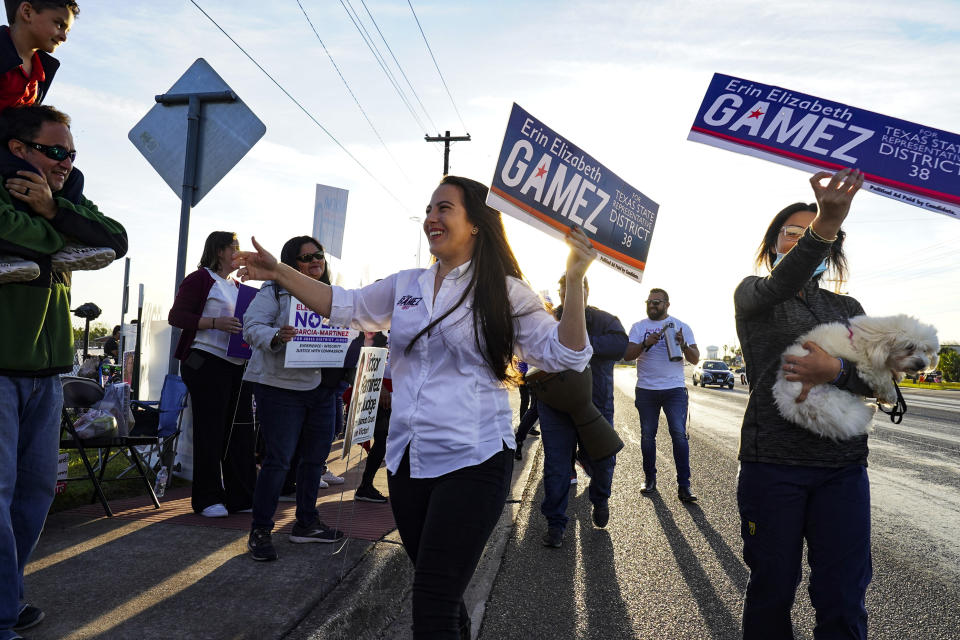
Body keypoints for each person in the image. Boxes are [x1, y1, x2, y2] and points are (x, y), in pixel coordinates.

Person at [235, 175, 595, 639]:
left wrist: (578, 281)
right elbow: (344, 305)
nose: (431, 218)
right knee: (441, 592)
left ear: (476, 225)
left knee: (431, 601)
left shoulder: (506, 292)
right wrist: (282, 272)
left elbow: (565, 355)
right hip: (407, 465)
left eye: (444, 208)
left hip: (474, 460)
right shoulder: (406, 285)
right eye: (429, 209)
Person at [0, 103, 125, 640]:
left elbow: (115, 238)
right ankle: (4, 615)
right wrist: (62, 239)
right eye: (55, 152)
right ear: (18, 149)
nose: (66, 163)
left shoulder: (65, 195)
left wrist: (53, 212)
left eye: (71, 154)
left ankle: (9, 596)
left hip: (47, 373)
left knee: (36, 494)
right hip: (1, 371)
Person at [734, 168, 876, 638]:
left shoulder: (847, 308)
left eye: (810, 233)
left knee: (843, 597)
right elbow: (781, 283)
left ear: (831, 251)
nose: (800, 239)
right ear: (774, 245)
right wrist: (825, 224)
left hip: (843, 469)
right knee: (772, 590)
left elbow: (878, 380)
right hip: (773, 465)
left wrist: (835, 372)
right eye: (791, 233)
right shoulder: (754, 295)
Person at [242, 236, 347, 561]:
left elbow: (353, 327)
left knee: (315, 461)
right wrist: (275, 335)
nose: (316, 260)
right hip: (281, 388)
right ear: (291, 263)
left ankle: (306, 523)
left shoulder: (336, 296)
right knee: (278, 460)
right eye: (306, 257)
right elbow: (251, 325)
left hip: (324, 389)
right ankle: (260, 529)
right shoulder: (274, 291)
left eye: (319, 255)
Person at [0, 1, 113, 285]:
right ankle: (6, 254)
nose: (63, 35)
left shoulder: (39, 69)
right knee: (30, 175)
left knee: (72, 178)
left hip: (10, 144)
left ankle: (68, 241)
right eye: (59, 24)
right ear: (27, 12)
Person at [168, 231, 255, 518]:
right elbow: (177, 317)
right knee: (211, 431)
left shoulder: (239, 286)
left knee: (239, 431)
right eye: (235, 247)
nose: (239, 252)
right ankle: (207, 498)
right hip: (205, 362)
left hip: (235, 364)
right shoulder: (200, 279)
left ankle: (240, 495)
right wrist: (215, 322)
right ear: (219, 250)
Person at [538, 274, 627, 547]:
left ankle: (600, 499)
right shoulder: (546, 320)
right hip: (554, 406)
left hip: (594, 406)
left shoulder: (605, 321)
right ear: (561, 292)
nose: (572, 293)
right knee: (556, 464)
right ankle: (555, 524)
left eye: (578, 287)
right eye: (566, 289)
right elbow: (531, 350)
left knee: (602, 460)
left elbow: (620, 345)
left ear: (586, 291)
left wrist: (579, 343)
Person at [623, 288, 700, 502]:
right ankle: (649, 479)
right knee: (648, 436)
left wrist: (683, 344)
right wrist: (646, 343)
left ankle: (684, 486)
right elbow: (628, 355)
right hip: (647, 389)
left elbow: (695, 359)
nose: (652, 305)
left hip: (674, 390)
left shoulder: (681, 326)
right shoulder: (639, 327)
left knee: (678, 434)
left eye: (657, 302)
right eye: (649, 301)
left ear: (667, 304)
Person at [351, 330, 390, 504]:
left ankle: (366, 485)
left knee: (385, 441)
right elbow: (364, 358)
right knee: (383, 440)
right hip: (380, 392)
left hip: (393, 389)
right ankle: (365, 486)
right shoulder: (372, 327)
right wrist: (379, 385)